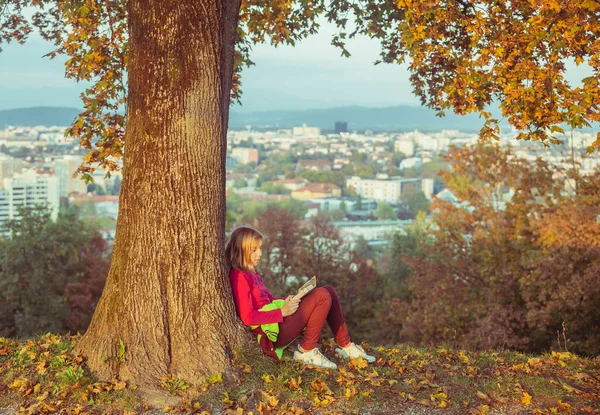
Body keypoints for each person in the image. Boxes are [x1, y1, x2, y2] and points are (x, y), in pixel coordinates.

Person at [226, 226, 376, 370]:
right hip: (271, 333)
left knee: (329, 290)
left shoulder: (251, 272)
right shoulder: (239, 277)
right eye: (254, 250)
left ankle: (346, 346)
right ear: (242, 251)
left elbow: (268, 299)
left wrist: (286, 301)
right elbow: (248, 317)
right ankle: (306, 351)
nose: (260, 253)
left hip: (278, 321)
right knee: (322, 296)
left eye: (260, 248)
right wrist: (282, 312)